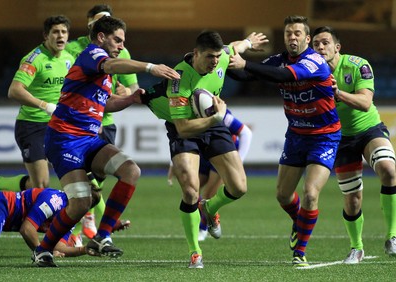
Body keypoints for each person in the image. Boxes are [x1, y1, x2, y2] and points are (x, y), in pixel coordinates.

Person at [32, 16, 180, 267]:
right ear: (101, 37)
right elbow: (112, 66)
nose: (122, 45)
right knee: (81, 203)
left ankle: (101, 236)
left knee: (130, 170)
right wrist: (149, 67)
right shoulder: (92, 55)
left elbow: (105, 102)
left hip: (89, 139)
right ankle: (43, 249)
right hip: (64, 139)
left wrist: (130, 99)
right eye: (117, 40)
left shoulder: (101, 68)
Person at [140, 30, 266, 268]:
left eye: (218, 56)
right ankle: (195, 252)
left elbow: (234, 48)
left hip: (213, 124)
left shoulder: (222, 57)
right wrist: (216, 119)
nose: (215, 61)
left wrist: (249, 42)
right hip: (186, 128)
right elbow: (183, 128)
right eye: (210, 57)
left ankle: (209, 207)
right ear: (196, 53)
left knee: (239, 187)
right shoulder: (179, 78)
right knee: (189, 190)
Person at [229, 15, 341, 267]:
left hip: (324, 137)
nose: (292, 37)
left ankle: (299, 251)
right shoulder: (278, 59)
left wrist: (244, 62)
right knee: (282, 195)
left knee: (310, 194)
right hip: (296, 136)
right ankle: (298, 221)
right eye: (288, 33)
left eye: (297, 33)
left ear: (307, 39)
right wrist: (224, 62)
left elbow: (283, 77)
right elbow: (245, 77)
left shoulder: (314, 62)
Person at [312, 26, 396, 263]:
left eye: (325, 43)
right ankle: (356, 247)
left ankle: (392, 235)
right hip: (340, 138)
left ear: (337, 47)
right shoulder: (309, 74)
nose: (320, 47)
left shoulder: (358, 65)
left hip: (369, 129)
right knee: (352, 198)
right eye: (316, 43)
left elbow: (365, 102)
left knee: (389, 171)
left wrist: (338, 94)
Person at [65, 3, 136, 243]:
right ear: (93, 28)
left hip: (104, 123)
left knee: (98, 183)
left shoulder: (120, 50)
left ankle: (92, 226)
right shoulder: (75, 49)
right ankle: (82, 230)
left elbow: (130, 87)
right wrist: (150, 67)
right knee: (85, 185)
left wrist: (129, 92)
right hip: (74, 125)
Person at [7, 15, 74, 189]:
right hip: (32, 125)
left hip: (58, 124)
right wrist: (44, 106)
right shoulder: (34, 59)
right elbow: (14, 90)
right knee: (41, 184)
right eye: (55, 32)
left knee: (78, 173)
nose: (60, 36)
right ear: (46, 36)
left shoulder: (69, 58)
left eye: (64, 32)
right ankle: (1, 183)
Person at [0, 186, 100, 258]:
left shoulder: (70, 217)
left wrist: (85, 249)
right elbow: (27, 229)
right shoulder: (55, 200)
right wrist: (42, 252)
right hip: (1, 203)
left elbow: (59, 247)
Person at [198, 109, 252, 241]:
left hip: (222, 152)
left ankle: (203, 228)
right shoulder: (184, 108)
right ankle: (206, 220)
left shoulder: (216, 109)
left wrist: (238, 163)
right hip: (204, 151)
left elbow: (246, 133)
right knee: (191, 191)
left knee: (208, 194)